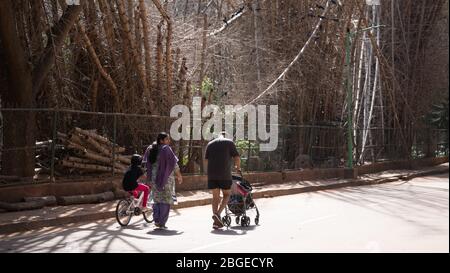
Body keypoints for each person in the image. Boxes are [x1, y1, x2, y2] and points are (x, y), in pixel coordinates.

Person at [143, 133, 182, 229]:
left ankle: (156, 220)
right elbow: (174, 164)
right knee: (165, 200)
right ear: (161, 140)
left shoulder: (150, 148)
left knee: (156, 200)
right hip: (166, 179)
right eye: (167, 139)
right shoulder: (166, 149)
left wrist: (148, 178)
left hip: (153, 179)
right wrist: (179, 175)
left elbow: (146, 164)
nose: (169, 141)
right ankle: (162, 223)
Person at [205, 132, 241, 229]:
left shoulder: (210, 144)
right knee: (227, 194)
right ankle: (218, 213)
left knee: (215, 197)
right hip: (224, 174)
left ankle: (216, 222)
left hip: (212, 175)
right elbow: (237, 157)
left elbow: (206, 160)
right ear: (227, 136)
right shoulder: (229, 142)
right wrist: (238, 168)